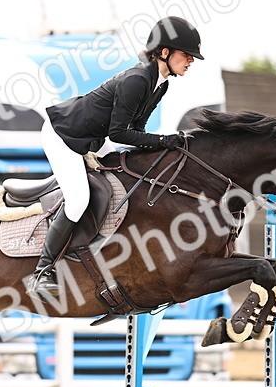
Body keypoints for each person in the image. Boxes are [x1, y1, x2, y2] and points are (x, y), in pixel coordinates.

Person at [25, 16, 204, 300]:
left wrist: (163, 145)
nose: (191, 61)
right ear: (165, 52)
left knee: (123, 175)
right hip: (64, 135)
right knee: (79, 199)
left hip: (95, 138)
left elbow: (138, 130)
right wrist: (164, 140)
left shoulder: (160, 83)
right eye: (187, 55)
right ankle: (41, 273)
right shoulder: (137, 80)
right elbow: (121, 134)